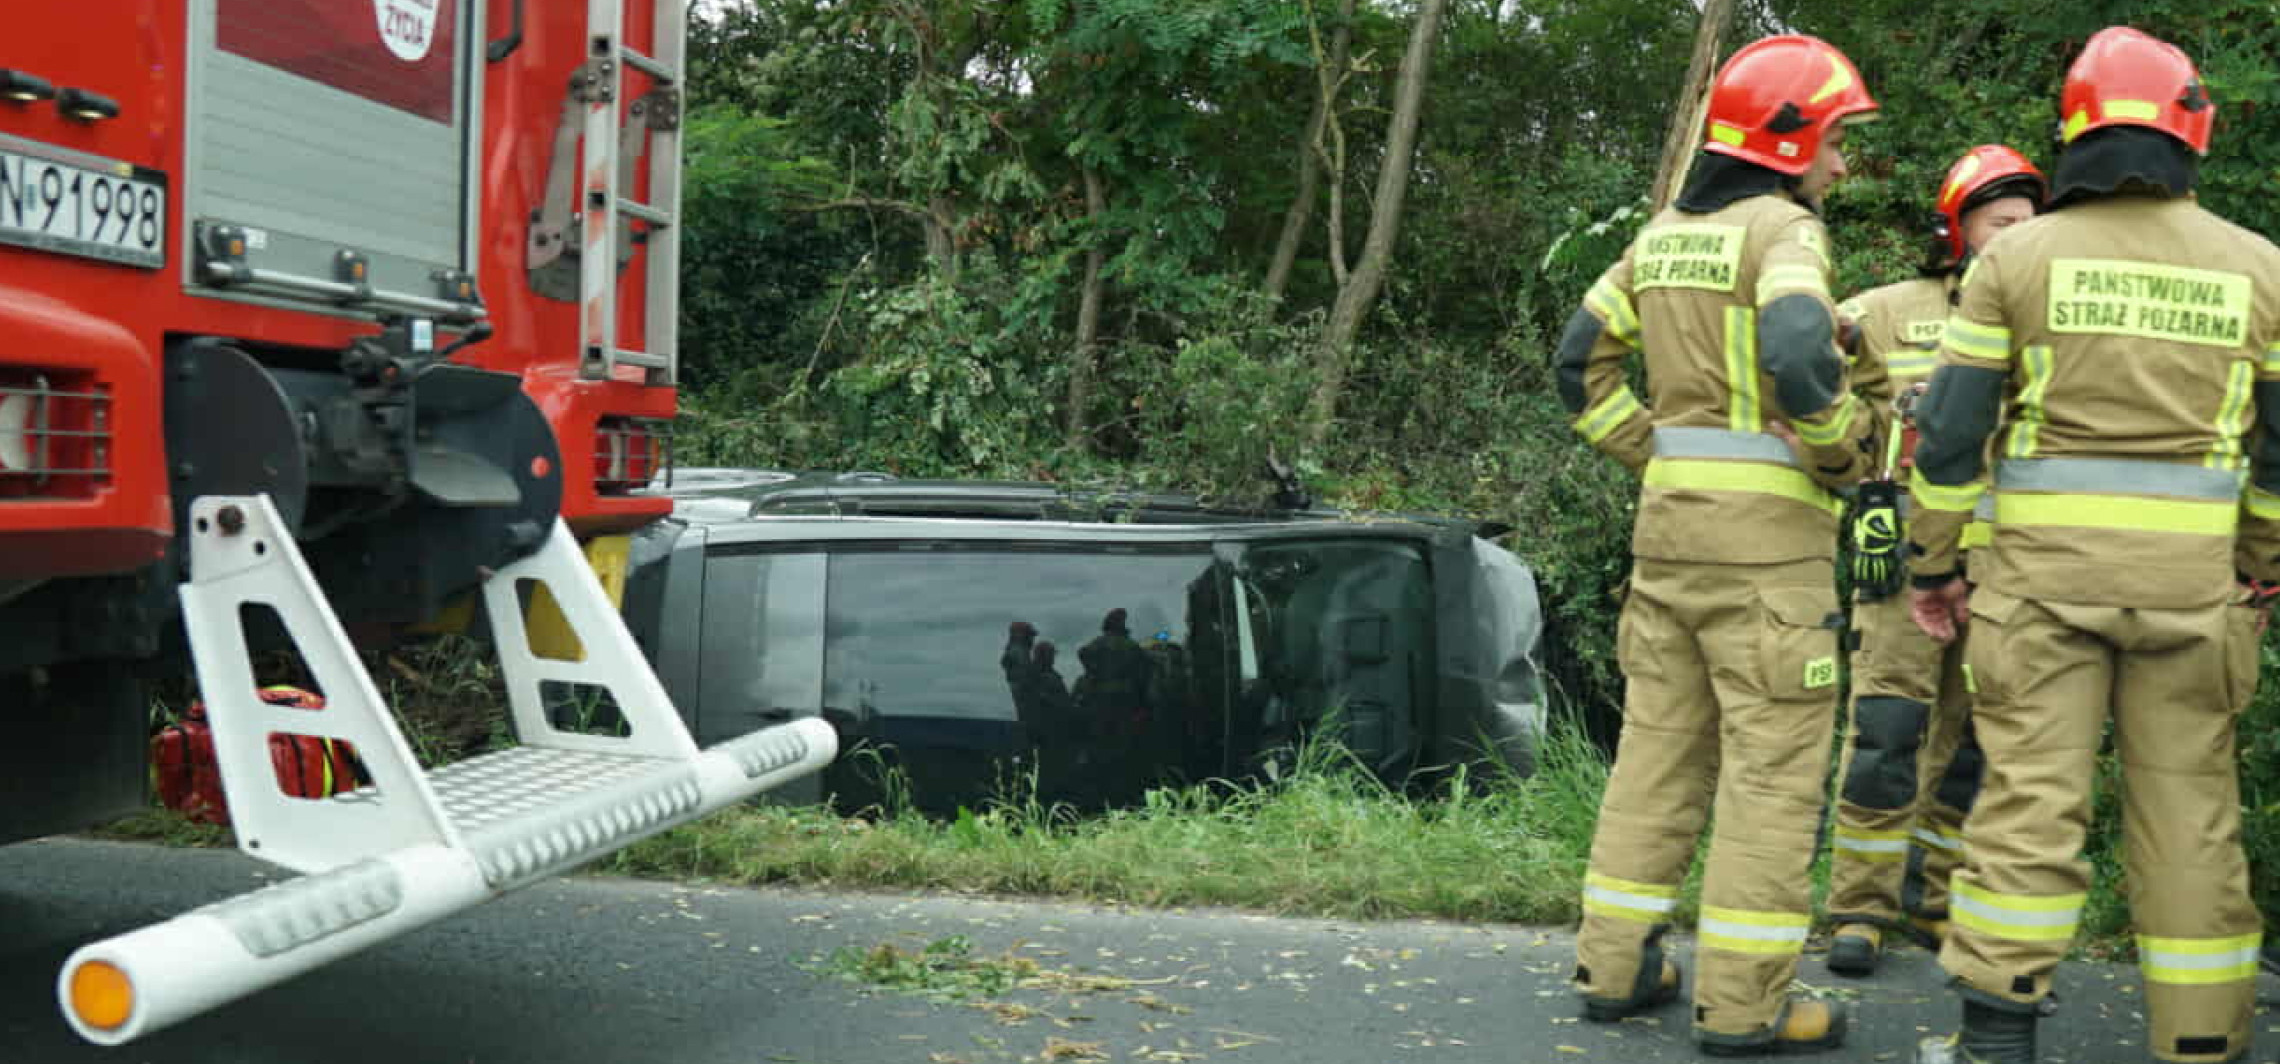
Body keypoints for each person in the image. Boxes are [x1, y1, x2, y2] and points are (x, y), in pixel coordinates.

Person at [1905, 27, 2280, 1064]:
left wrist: (1934, 564)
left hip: (2041, 591)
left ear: (2073, 135)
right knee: (2195, 817)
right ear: (2193, 130)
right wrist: (2259, 561)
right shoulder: (2262, 270)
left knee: (2027, 803)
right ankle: (2204, 1039)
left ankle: (1994, 1037)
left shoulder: (2015, 260)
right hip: (2196, 594)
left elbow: (1948, 434)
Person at [1555, 34, 1880, 1056]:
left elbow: (1577, 367)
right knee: (1770, 779)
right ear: (1787, 141)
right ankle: (1746, 1005)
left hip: (1669, 547)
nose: (1840, 164)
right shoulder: (1784, 231)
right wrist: (1840, 450)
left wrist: (1658, 454)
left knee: (1654, 757)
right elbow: (1793, 348)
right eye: (1833, 140)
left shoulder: (1658, 238)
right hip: (1768, 562)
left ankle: (1616, 967)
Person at [1822, 145, 2045, 977]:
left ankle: (1940, 903)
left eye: (2030, 222)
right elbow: (1796, 352)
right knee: (1887, 733)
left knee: (1979, 748)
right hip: (1905, 571)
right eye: (2000, 221)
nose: (2018, 236)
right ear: (1958, 228)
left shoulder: (2052, 317)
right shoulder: (1887, 311)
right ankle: (1859, 909)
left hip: (2011, 576)